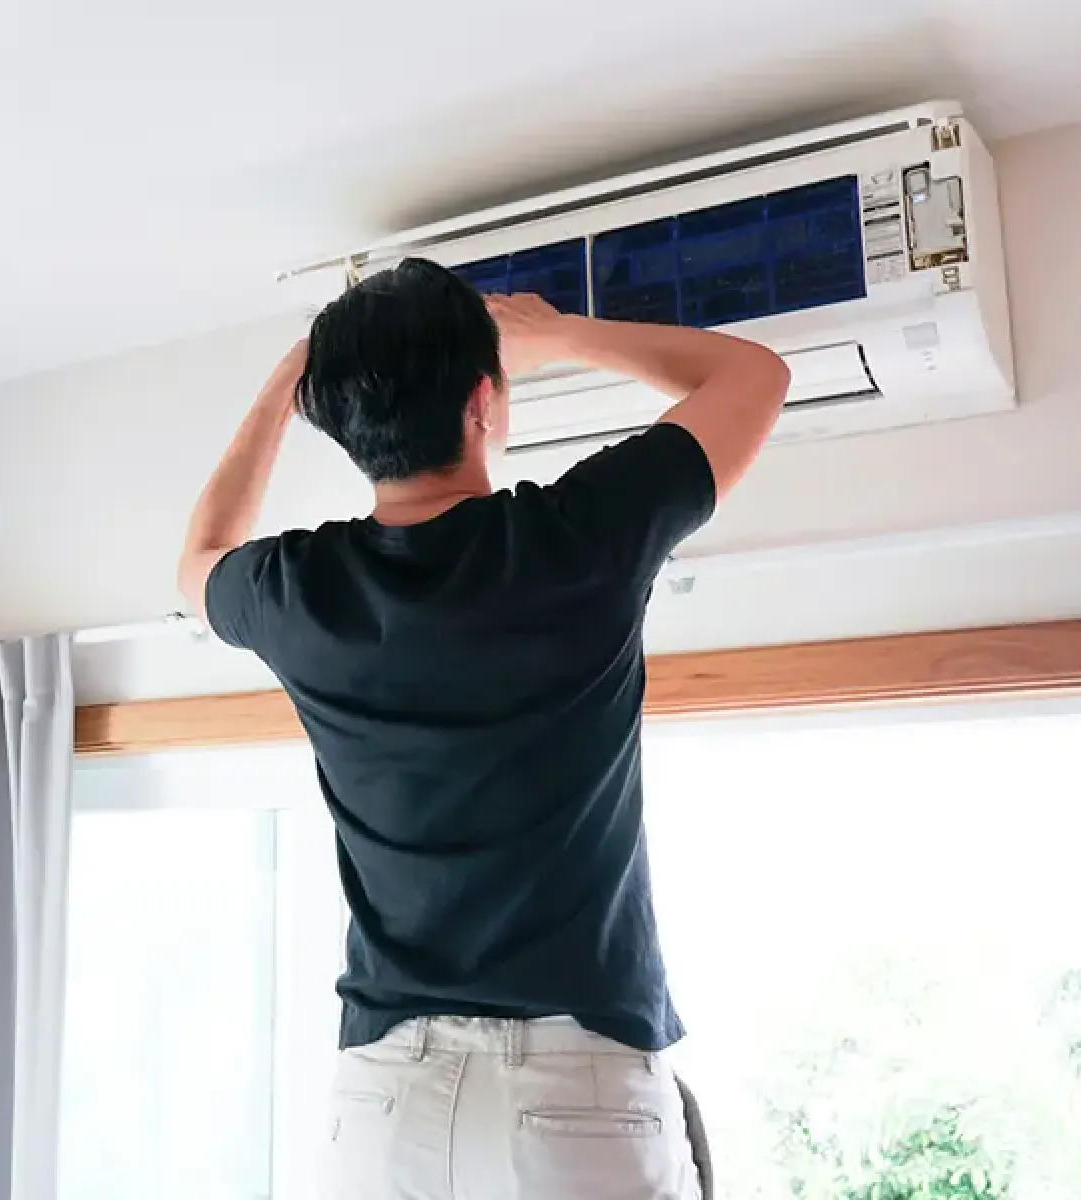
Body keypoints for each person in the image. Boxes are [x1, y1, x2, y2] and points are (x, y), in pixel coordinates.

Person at [177, 258, 790, 1199]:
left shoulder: (299, 593)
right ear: (484, 399)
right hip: (576, 1080)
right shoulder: (577, 537)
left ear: (334, 421)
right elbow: (754, 375)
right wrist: (568, 335)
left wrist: (281, 385)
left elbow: (198, 561)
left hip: (386, 1100)